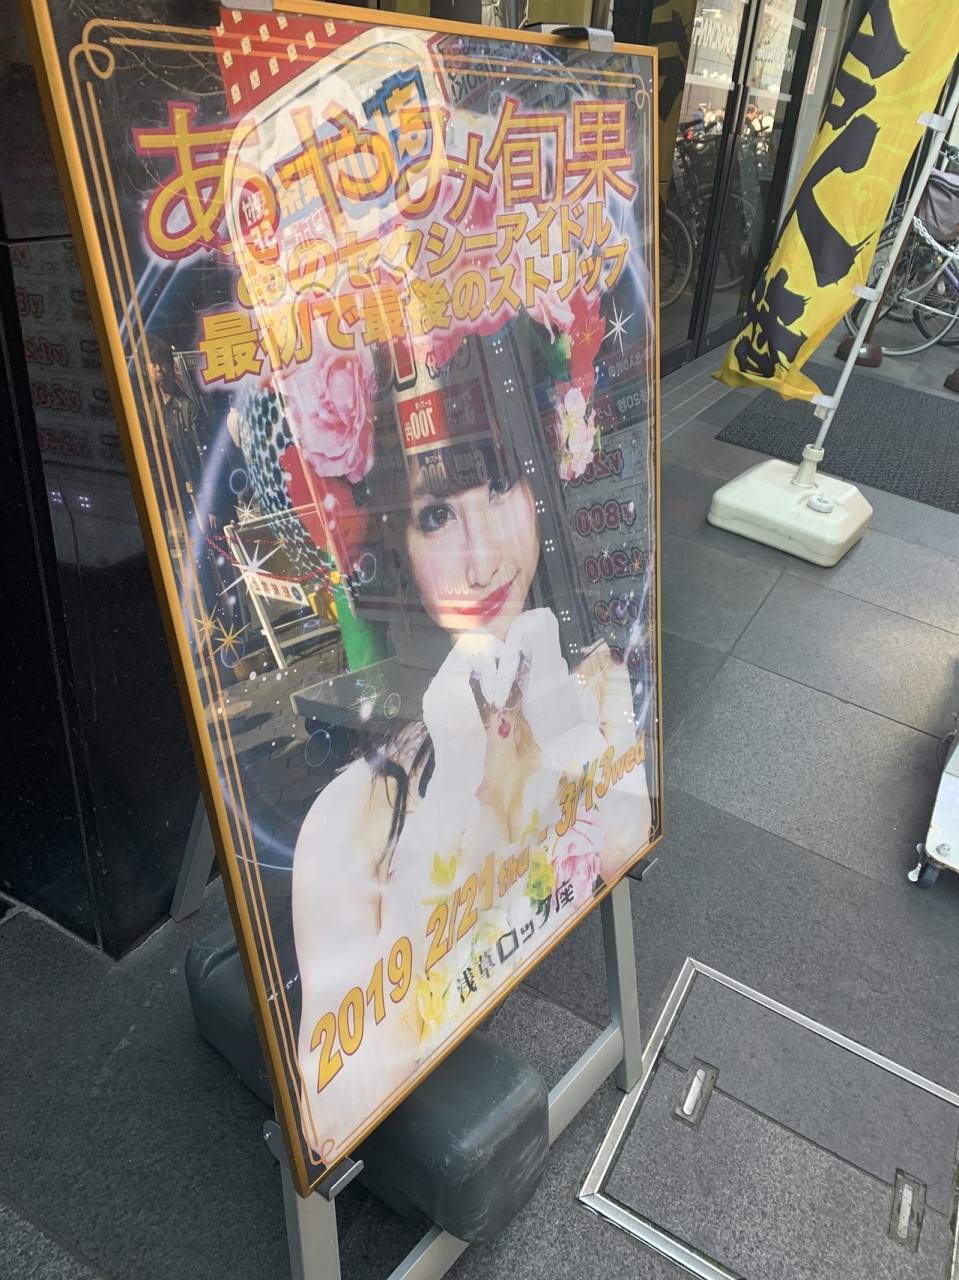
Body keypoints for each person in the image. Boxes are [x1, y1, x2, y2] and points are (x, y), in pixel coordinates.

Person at [290, 313, 653, 1165]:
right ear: (389, 539)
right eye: (434, 516)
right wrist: (452, 816)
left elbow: (626, 843)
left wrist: (567, 727)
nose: (484, 560)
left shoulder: (585, 684)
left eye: (498, 486)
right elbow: (336, 1115)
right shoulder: (353, 818)